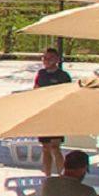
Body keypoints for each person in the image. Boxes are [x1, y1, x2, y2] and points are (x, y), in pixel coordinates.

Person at [31, 46, 72, 175]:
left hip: (56, 114)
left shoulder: (63, 76)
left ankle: (62, 175)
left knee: (55, 147)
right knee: (45, 148)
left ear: (57, 60)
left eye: (50, 58)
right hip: (44, 113)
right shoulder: (41, 74)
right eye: (45, 58)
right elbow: (36, 90)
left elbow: (67, 94)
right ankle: (47, 175)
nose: (47, 61)